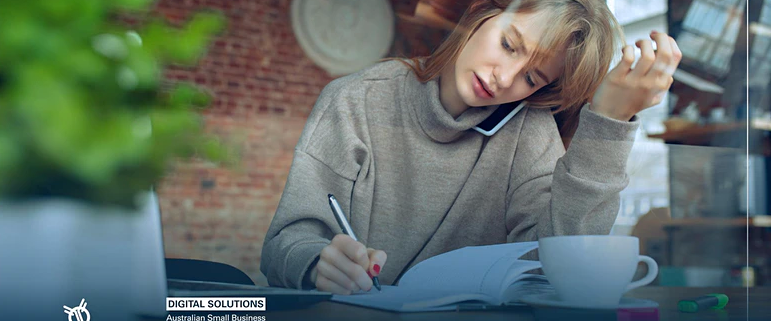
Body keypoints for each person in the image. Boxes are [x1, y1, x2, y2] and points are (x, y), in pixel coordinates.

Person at [261, 0, 681, 295]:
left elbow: (563, 261)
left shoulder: (527, 131)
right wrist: (317, 263)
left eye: (532, 78)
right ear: (482, 13)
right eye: (508, 45)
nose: (505, 78)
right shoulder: (355, 100)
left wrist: (608, 122)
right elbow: (287, 241)